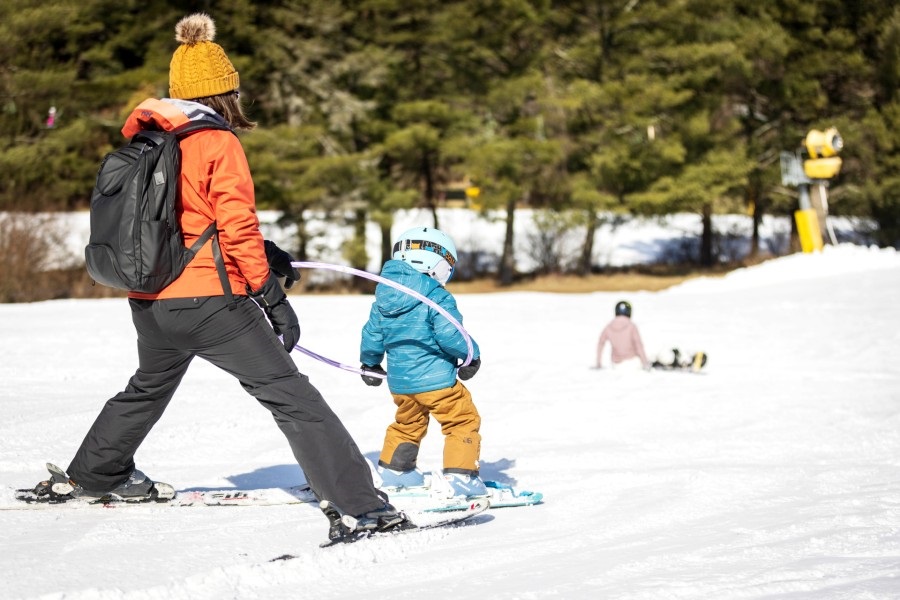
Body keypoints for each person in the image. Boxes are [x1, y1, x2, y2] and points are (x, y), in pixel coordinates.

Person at [27, 12, 407, 535]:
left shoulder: (152, 139)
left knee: (149, 384)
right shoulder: (216, 141)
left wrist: (261, 253)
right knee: (290, 395)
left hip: (150, 299)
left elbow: (191, 219)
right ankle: (362, 506)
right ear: (224, 91)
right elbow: (234, 221)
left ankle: (96, 473)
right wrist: (270, 295)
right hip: (209, 302)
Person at [359, 227, 487, 499]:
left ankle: (396, 472)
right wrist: (470, 355)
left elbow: (372, 334)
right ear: (437, 263)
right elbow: (450, 332)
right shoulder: (436, 296)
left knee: (407, 424)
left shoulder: (384, 297)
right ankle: (461, 477)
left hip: (401, 384)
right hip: (437, 380)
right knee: (462, 420)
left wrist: (369, 363)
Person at [595, 300, 651, 371]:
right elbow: (638, 345)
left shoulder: (608, 326)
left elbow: (600, 344)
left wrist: (598, 363)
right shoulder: (631, 326)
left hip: (616, 364)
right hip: (633, 362)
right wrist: (645, 363)